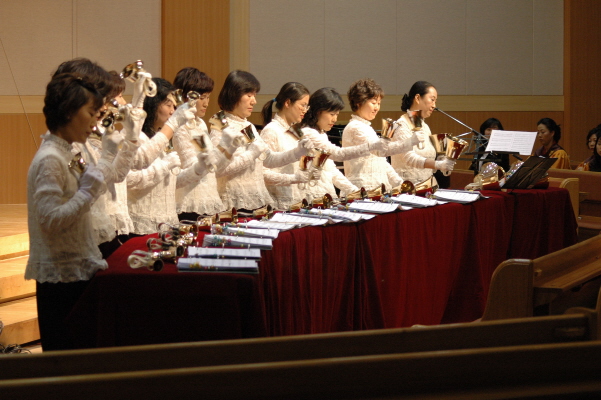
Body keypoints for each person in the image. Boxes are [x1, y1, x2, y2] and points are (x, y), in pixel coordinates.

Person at [25, 73, 106, 351]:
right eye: (91, 113)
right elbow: (49, 220)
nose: (95, 121)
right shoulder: (51, 158)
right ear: (70, 111)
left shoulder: (65, 151)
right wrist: (86, 193)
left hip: (72, 271)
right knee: (66, 360)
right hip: (61, 278)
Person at [209, 70, 313, 211]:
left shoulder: (248, 126)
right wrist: (251, 154)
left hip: (256, 201)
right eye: (249, 95)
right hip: (235, 203)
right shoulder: (221, 124)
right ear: (234, 94)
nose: (254, 101)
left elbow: (267, 159)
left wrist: (297, 152)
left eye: (255, 95)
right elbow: (218, 170)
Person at [127, 77, 206, 234]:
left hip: (167, 222)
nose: (172, 111)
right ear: (152, 104)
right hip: (144, 223)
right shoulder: (137, 138)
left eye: (174, 106)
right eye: (168, 105)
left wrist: (198, 169)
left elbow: (171, 183)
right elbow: (131, 180)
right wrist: (165, 166)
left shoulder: (161, 138)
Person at [172, 67, 224, 219]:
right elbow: (192, 165)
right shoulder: (179, 126)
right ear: (186, 97)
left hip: (208, 195)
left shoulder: (200, 123)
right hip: (190, 200)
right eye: (202, 98)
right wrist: (221, 150)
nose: (206, 103)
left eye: (208, 97)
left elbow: (208, 158)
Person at [341, 78, 405, 191]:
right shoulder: (354, 127)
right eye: (373, 103)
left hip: (376, 189)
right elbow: (379, 150)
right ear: (359, 103)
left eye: (379, 103)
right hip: (362, 190)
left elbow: (381, 161)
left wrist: (400, 183)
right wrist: (388, 135)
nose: (377, 108)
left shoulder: (367, 127)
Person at [260, 82, 315, 209]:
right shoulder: (271, 131)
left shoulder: (296, 130)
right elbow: (262, 173)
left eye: (307, 106)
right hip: (279, 203)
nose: (305, 110)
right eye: (302, 105)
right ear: (288, 103)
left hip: (298, 199)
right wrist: (293, 178)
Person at [390, 81, 455, 187]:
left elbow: (427, 158)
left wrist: (443, 161)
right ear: (417, 98)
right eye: (432, 100)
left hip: (427, 186)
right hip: (407, 188)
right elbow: (409, 158)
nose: (434, 105)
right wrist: (438, 164)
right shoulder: (400, 125)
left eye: (435, 101)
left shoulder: (425, 127)